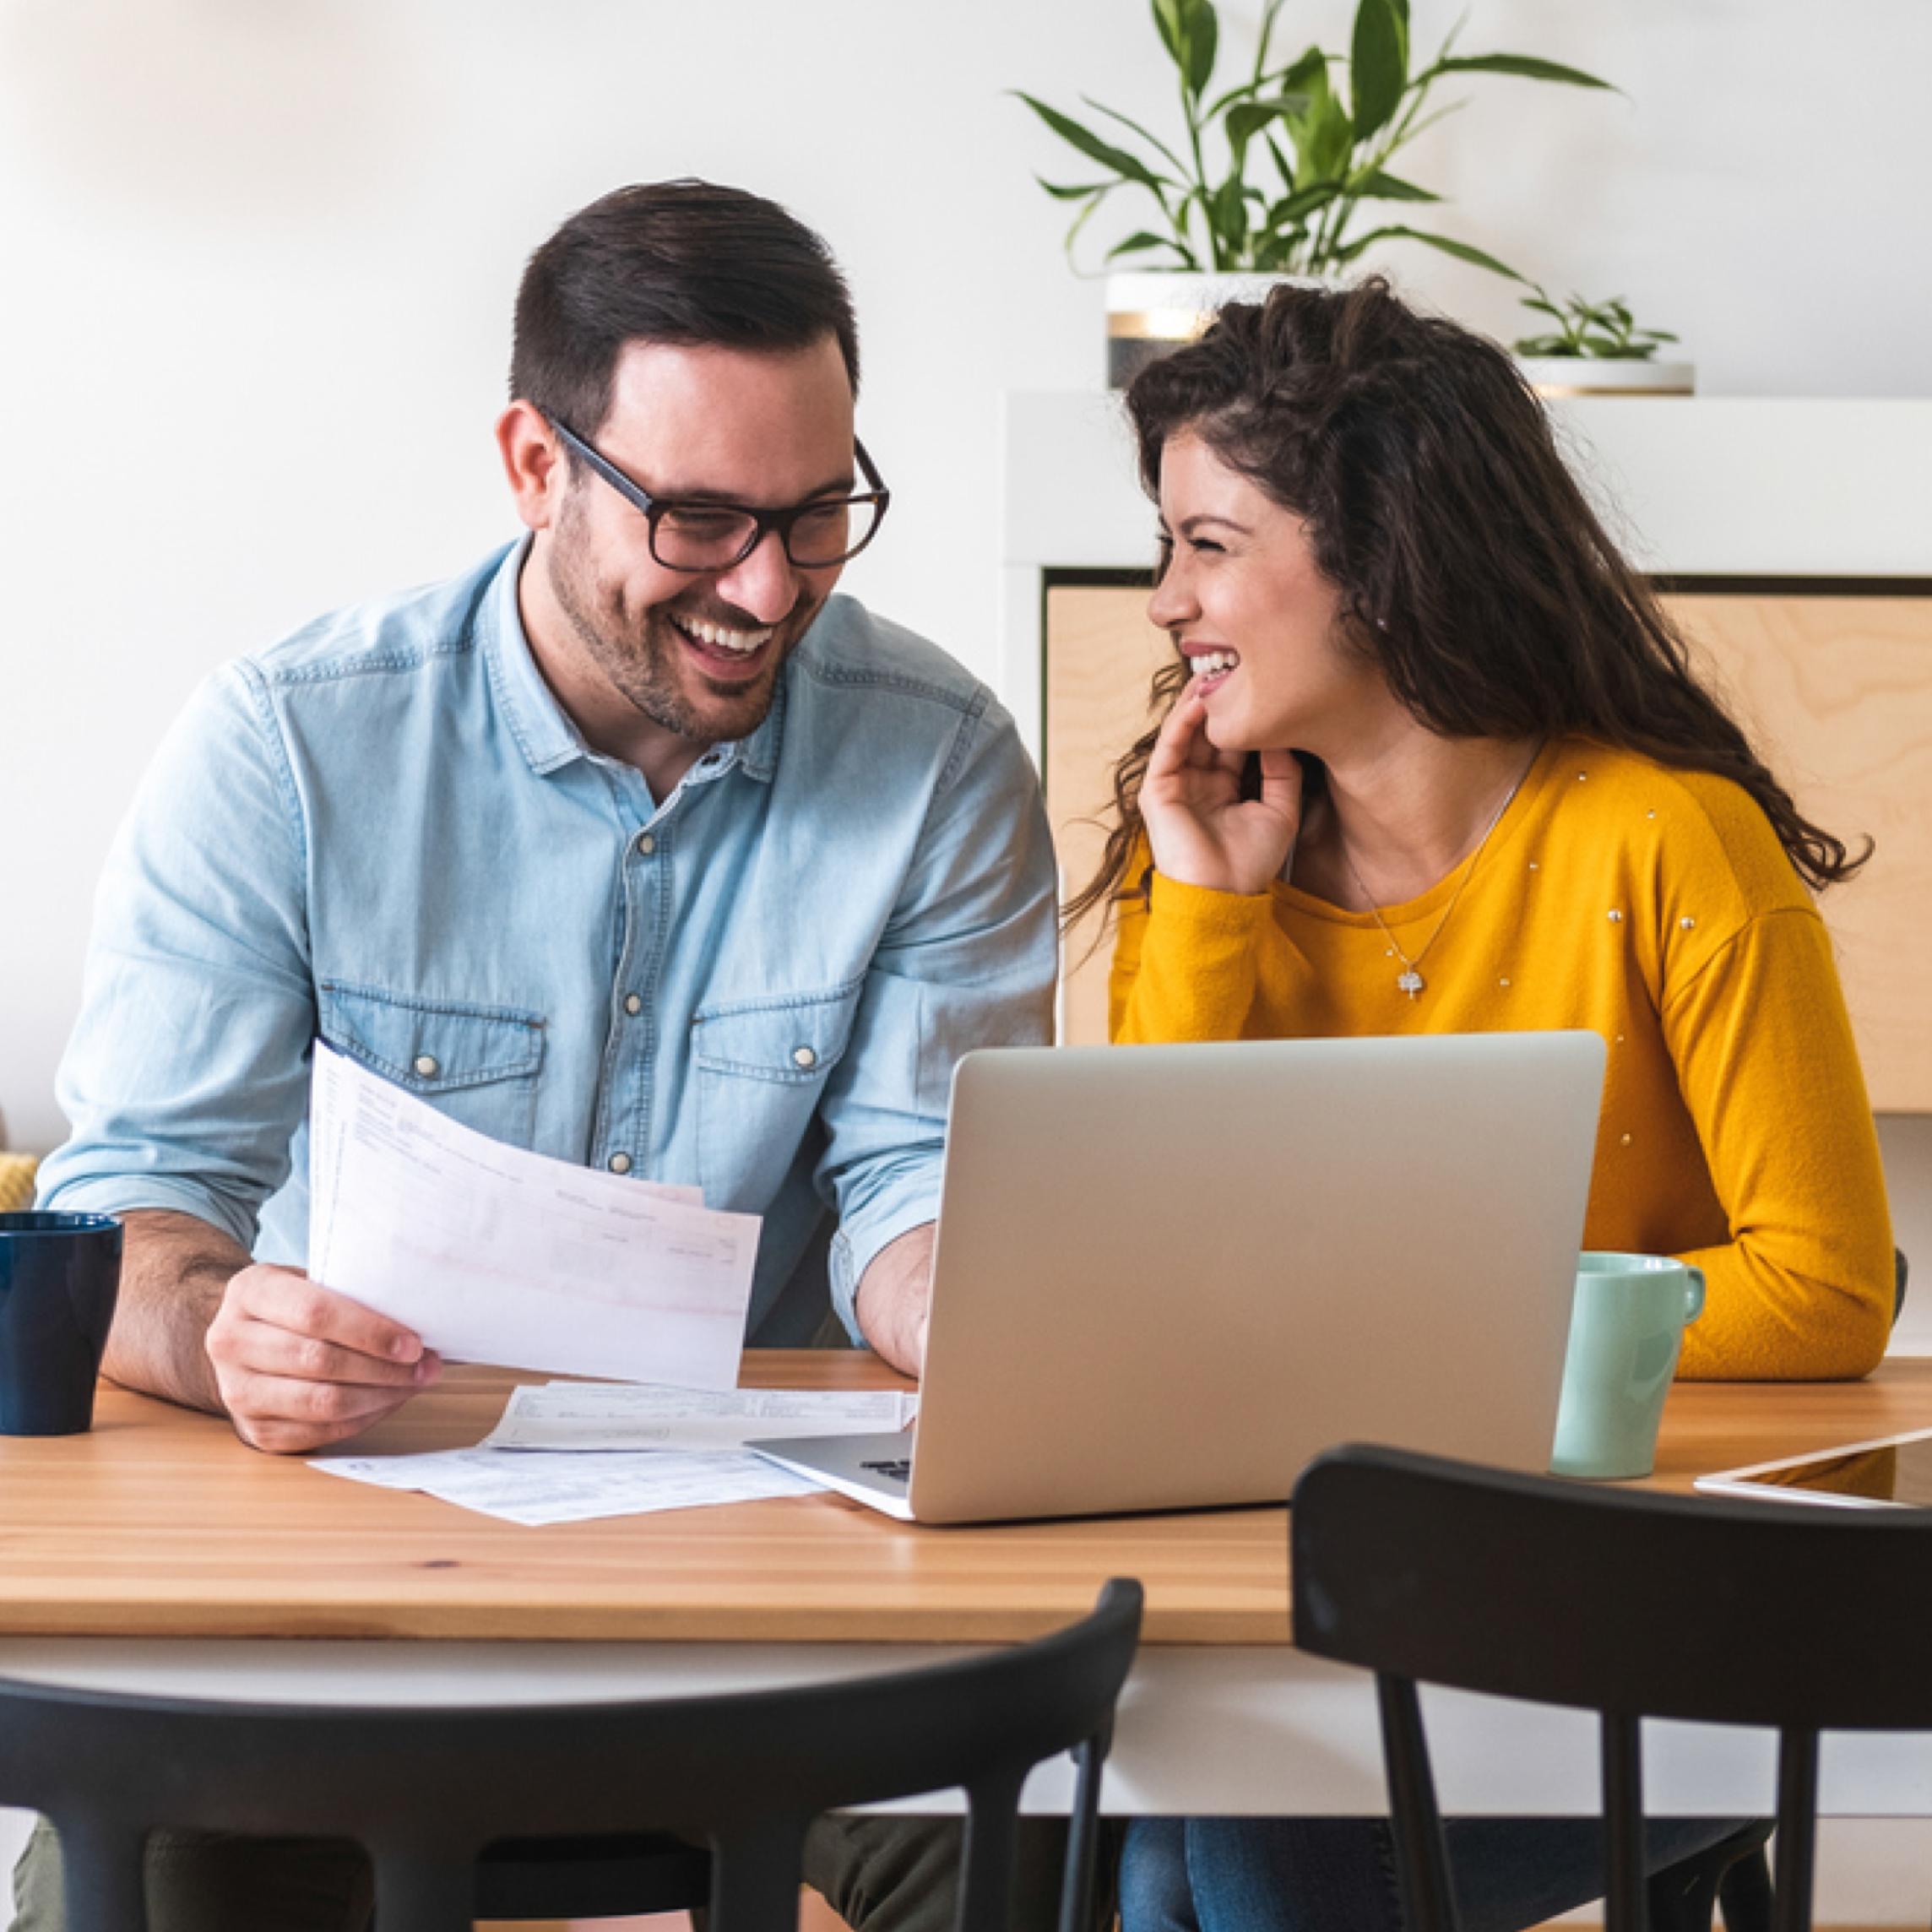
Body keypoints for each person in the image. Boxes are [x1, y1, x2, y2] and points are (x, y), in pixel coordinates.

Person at [16, 181, 1059, 1932]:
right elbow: (131, 1207)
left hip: (777, 1631)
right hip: (329, 1615)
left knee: (1065, 1836)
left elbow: (911, 1182)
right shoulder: (288, 741)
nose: (766, 587)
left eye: (819, 517)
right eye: (706, 518)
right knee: (111, 1879)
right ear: (533, 461)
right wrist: (221, 1331)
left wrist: (989, 1311)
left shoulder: (940, 759)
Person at [1071, 278, 1895, 1932]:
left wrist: (1404, 1353)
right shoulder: (1211, 865)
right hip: (1324, 1612)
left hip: (1641, 1631)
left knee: (1222, 1842)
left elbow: (1823, 1284)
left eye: (1208, 544)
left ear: (1375, 560)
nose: (1164, 600)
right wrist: (1207, 914)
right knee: (1165, 1829)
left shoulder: (1662, 841)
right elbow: (1133, 1297)